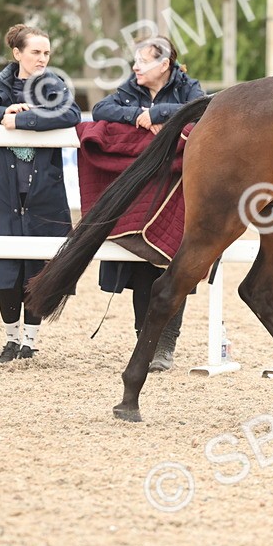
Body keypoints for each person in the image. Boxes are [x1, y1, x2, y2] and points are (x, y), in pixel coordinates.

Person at [0, 23, 80, 362]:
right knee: (3, 266)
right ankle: (11, 339)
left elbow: (72, 114)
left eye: (47, 53)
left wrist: (24, 121)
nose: (42, 59)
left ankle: (30, 342)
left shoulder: (54, 86)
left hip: (43, 193)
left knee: (39, 268)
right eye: (35, 52)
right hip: (2, 193)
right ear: (17, 53)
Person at [91, 36, 206, 371]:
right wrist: (140, 116)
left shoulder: (189, 86)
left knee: (174, 263)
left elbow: (204, 110)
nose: (135, 67)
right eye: (136, 61)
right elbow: (103, 109)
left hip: (179, 187)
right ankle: (146, 341)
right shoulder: (132, 87)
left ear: (165, 64)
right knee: (141, 261)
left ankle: (165, 345)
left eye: (143, 61)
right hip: (145, 186)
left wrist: (158, 113)